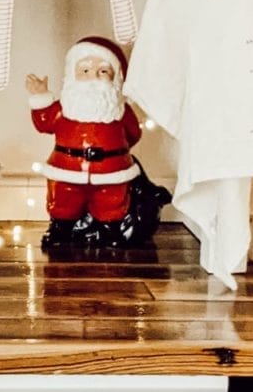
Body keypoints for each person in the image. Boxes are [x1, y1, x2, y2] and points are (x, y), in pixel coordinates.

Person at [26, 36, 167, 251]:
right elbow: (44, 123)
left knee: (111, 201)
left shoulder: (119, 111)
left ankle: (110, 228)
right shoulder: (64, 108)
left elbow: (132, 134)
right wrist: (40, 97)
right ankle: (61, 229)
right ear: (72, 75)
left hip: (112, 172)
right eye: (84, 71)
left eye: (102, 71)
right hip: (67, 169)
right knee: (63, 200)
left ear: (115, 78)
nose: (93, 77)